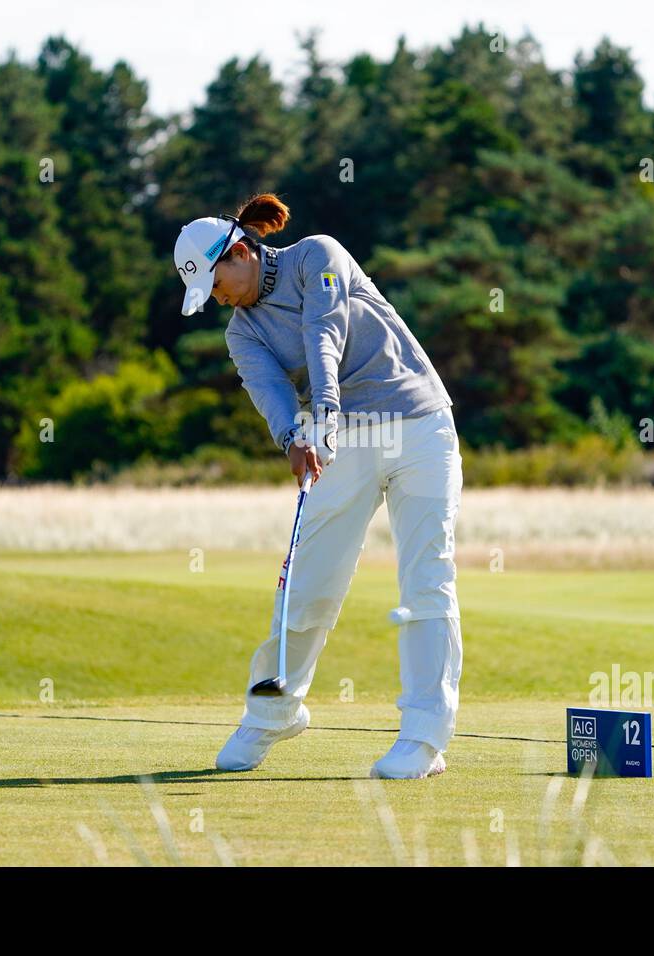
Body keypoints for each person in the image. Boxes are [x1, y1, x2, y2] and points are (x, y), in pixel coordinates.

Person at [173, 193, 463, 779]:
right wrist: (294, 439)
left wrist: (324, 411)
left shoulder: (317, 256)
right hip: (345, 441)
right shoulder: (241, 333)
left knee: (426, 580)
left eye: (217, 283)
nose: (219, 298)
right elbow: (270, 392)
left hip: (420, 427)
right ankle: (273, 711)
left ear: (238, 251)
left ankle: (424, 738)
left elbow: (322, 333)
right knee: (307, 584)